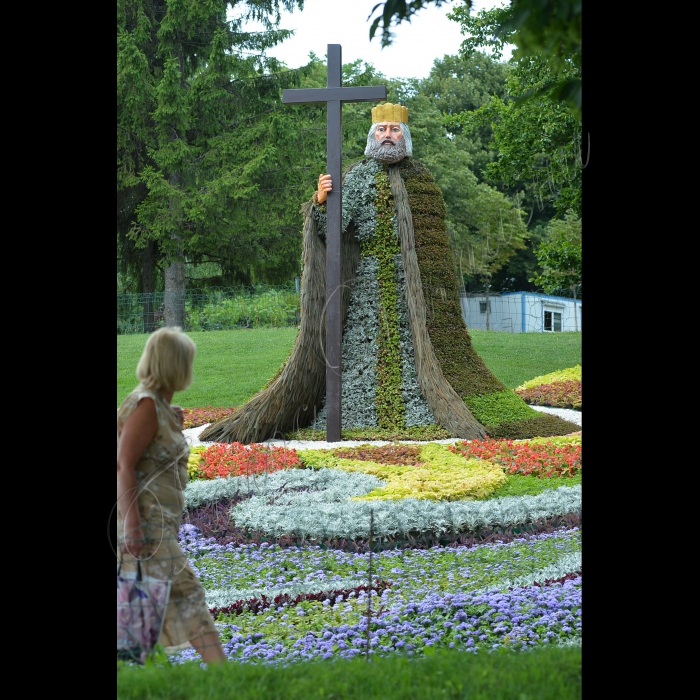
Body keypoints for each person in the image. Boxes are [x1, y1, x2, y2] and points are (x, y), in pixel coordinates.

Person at [200, 102, 573, 444]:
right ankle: (355, 410)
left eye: (395, 130)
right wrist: (320, 202)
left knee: (415, 345)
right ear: (372, 136)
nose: (389, 136)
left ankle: (422, 403)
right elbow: (334, 230)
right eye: (382, 130)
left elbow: (433, 242)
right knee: (362, 342)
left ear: (404, 136)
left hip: (416, 290)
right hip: (366, 285)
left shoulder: (421, 178)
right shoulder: (357, 176)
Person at [116, 326, 226, 665]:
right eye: (187, 361)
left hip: (158, 525)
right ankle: (226, 676)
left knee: (154, 605)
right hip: (148, 526)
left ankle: (139, 673)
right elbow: (124, 465)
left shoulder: (158, 406)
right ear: (174, 365)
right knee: (187, 594)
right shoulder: (146, 405)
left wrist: (171, 421)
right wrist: (133, 525)